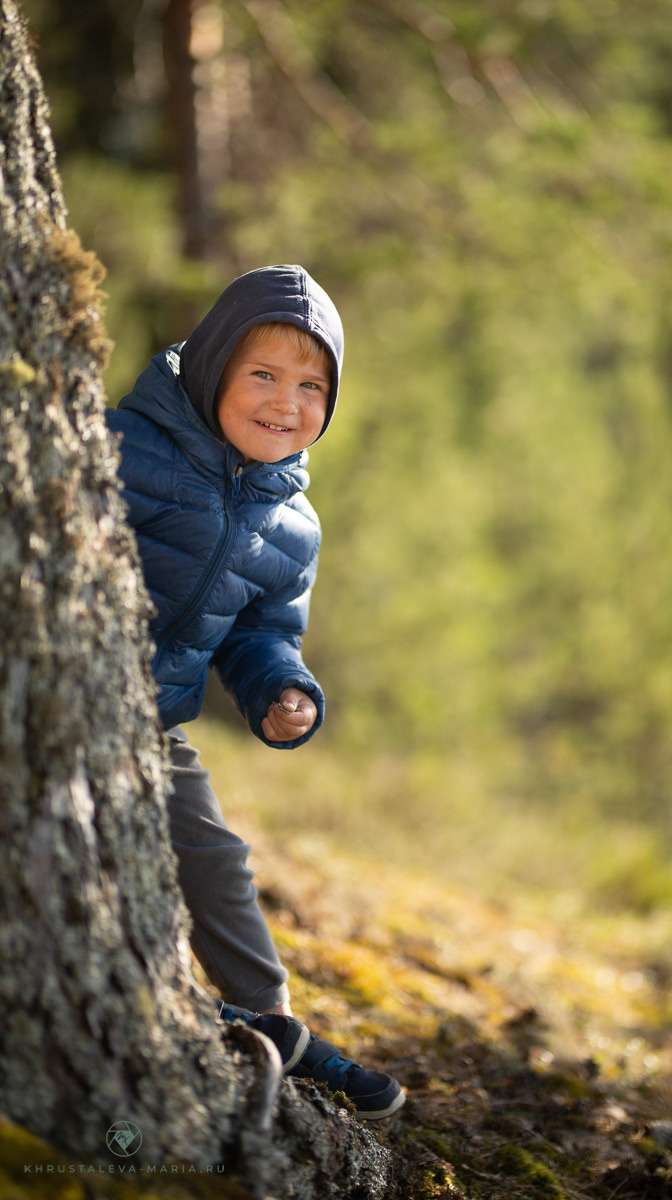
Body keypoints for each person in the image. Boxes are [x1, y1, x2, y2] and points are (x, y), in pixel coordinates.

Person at [106, 264, 405, 1120]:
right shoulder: (125, 445)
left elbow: (258, 631)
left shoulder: (292, 522)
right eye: (263, 375)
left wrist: (283, 687)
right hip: (65, 693)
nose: (286, 403)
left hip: (149, 726)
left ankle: (269, 1017)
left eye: (312, 387)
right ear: (211, 370)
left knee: (214, 855)